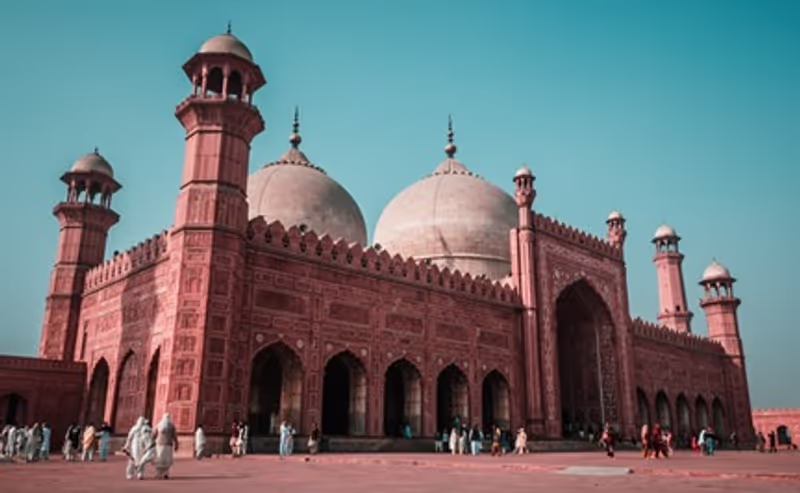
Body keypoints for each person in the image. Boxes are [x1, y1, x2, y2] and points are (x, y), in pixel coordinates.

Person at [153, 414, 178, 479]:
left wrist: (152, 441)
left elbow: (154, 434)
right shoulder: (171, 426)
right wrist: (176, 444)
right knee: (166, 460)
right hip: (168, 445)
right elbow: (174, 436)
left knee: (159, 459)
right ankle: (165, 473)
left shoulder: (159, 425)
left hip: (160, 444)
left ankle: (159, 474)